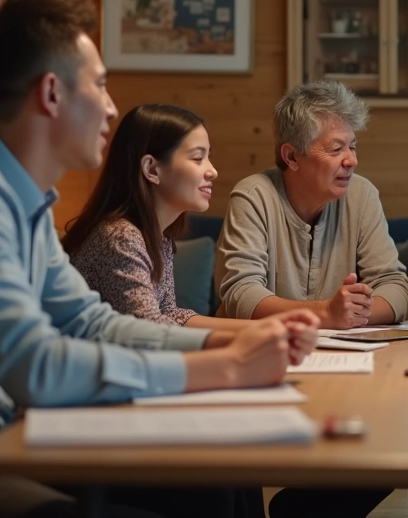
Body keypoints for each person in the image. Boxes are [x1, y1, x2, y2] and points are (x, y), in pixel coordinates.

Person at [0, 0, 312, 518]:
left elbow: (90, 321)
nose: (111, 106)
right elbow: (35, 366)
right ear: (51, 93)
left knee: (220, 486)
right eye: (99, 84)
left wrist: (221, 342)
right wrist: (224, 368)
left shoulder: (21, 197)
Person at [62, 103, 319, 358]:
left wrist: (273, 326)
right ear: (151, 169)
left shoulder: (158, 237)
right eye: (198, 158)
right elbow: (151, 332)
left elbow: (170, 314)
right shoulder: (119, 237)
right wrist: (258, 336)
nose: (212, 171)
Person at [216, 80, 408, 330]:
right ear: (292, 156)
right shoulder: (253, 197)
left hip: (342, 353)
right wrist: (326, 314)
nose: (352, 160)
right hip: (257, 351)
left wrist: (349, 314)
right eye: (336, 149)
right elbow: (241, 294)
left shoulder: (362, 195)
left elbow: (396, 287)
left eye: (352, 146)